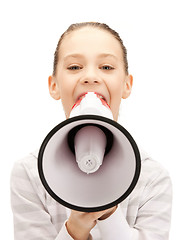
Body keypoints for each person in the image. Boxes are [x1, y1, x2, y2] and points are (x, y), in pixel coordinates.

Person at [10, 22, 172, 240]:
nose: (90, 77)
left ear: (126, 84)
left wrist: (110, 214)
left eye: (106, 67)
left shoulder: (152, 179)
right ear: (54, 85)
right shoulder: (29, 174)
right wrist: (75, 230)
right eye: (75, 67)